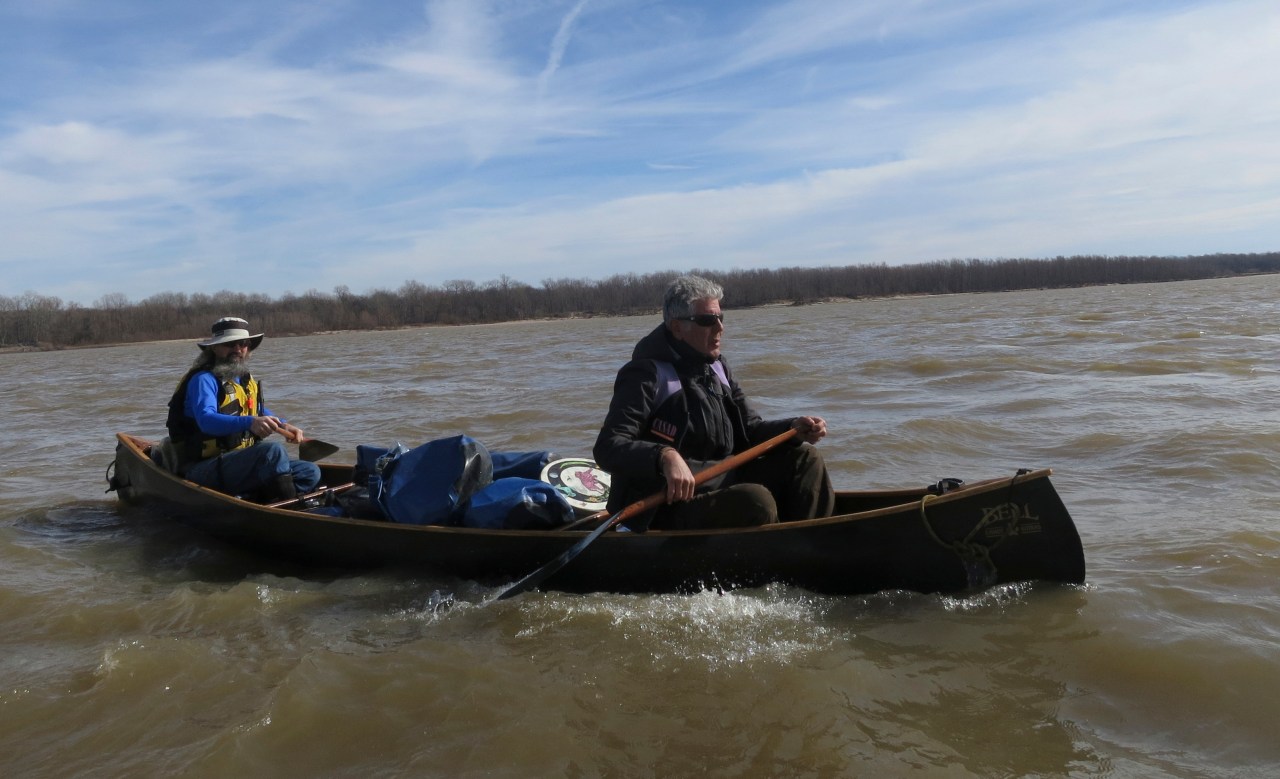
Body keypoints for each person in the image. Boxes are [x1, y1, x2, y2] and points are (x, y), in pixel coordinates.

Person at [593, 275, 835, 531]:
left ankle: (811, 545)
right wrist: (663, 456)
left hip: (723, 480)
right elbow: (608, 447)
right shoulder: (645, 375)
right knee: (755, 500)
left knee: (805, 458)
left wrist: (793, 428)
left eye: (721, 318)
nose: (719, 328)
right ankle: (779, 559)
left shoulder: (719, 369)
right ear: (677, 327)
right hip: (665, 503)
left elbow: (750, 430)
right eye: (707, 320)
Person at [164, 316, 321, 502]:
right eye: (230, 344)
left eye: (243, 343)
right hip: (202, 466)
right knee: (272, 451)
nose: (238, 349)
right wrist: (250, 422)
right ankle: (289, 509)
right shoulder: (203, 380)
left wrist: (284, 426)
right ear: (214, 348)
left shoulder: (245, 378)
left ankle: (263, 497)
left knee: (310, 471)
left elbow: (255, 410)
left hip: (239, 462)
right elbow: (206, 420)